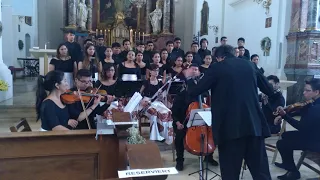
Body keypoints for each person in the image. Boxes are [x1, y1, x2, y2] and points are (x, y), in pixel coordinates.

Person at [186, 45, 279, 180]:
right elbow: (269, 90)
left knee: (230, 173)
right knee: (261, 172)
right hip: (254, 126)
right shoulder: (251, 65)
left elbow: (195, 91)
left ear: (218, 57)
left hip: (229, 129)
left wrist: (189, 78)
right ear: (233, 54)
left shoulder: (217, 68)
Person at [172, 63, 219, 171]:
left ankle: (208, 156)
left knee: (212, 132)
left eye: (196, 69)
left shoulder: (204, 91)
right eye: (192, 69)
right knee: (179, 135)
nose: (194, 71)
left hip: (202, 121)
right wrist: (178, 122)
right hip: (183, 121)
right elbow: (174, 111)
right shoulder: (182, 91)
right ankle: (180, 160)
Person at [274, 78, 320, 180]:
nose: (304, 93)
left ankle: (293, 172)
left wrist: (285, 116)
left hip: (316, 141)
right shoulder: (313, 103)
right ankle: (287, 164)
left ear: (317, 92)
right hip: (314, 135)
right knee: (285, 135)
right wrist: (285, 114)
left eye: (307, 91)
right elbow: (301, 111)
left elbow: (301, 127)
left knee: (282, 144)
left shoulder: (316, 108)